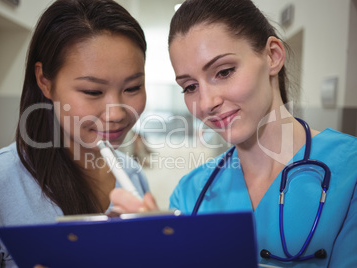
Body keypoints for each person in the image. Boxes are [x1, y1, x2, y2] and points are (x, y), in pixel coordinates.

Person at [111, 0, 357, 267]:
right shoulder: (191, 192)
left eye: (224, 72)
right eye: (190, 87)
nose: (206, 103)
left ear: (273, 55)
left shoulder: (349, 171)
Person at [0, 0, 150, 267]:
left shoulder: (132, 176)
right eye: (93, 92)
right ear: (45, 81)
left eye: (133, 87)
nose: (117, 113)